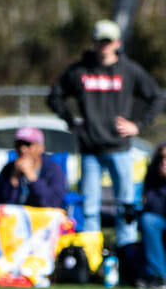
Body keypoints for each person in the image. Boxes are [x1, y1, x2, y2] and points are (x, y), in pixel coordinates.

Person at [47, 19, 165, 249]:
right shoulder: (80, 70)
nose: (104, 45)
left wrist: (138, 125)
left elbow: (157, 97)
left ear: (117, 43)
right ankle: (92, 254)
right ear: (93, 42)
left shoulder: (129, 70)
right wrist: (71, 121)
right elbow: (54, 96)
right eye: (100, 41)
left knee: (126, 205)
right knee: (89, 206)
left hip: (120, 149)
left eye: (108, 41)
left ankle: (126, 252)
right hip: (90, 149)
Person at [0, 127, 67, 208]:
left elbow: (53, 203)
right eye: (19, 144)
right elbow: (2, 202)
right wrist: (14, 178)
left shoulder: (54, 169)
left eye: (28, 144)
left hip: (43, 218)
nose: (22, 149)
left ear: (41, 147)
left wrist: (32, 178)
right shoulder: (8, 169)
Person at [136, 142, 166, 289]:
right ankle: (159, 276)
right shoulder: (153, 175)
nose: (164, 162)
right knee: (148, 220)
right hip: (160, 218)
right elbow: (152, 205)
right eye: (161, 157)